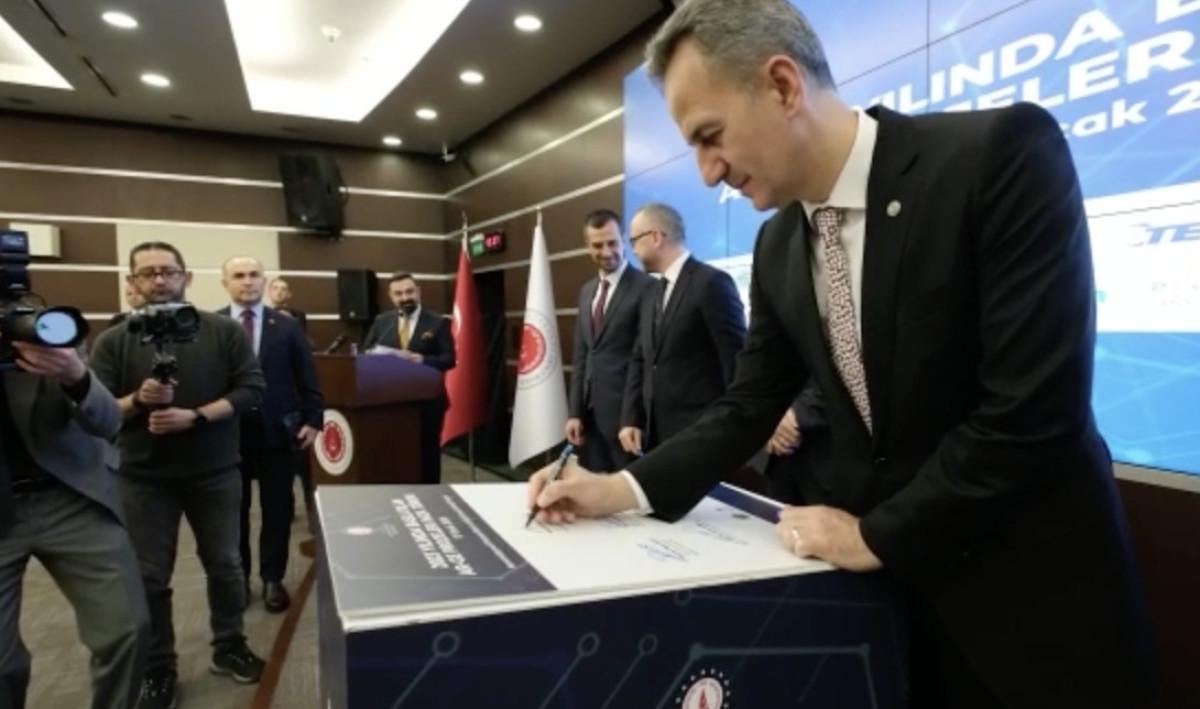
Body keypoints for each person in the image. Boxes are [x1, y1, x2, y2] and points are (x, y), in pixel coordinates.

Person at [527, 1, 1153, 707]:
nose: (705, 173)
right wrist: (619, 488)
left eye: (710, 136)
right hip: (888, 620)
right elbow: (748, 402)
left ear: (783, 86)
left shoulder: (997, 156)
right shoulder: (778, 245)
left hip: (1030, 612)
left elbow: (1032, 411)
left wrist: (876, 535)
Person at [91, 242, 267, 709]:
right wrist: (138, 401)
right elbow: (96, 411)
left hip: (215, 471)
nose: (159, 280)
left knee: (226, 566)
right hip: (143, 478)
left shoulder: (223, 331)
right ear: (132, 282)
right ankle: (158, 666)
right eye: (147, 273)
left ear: (186, 278)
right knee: (149, 578)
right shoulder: (113, 341)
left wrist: (197, 416)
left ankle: (229, 644)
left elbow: (252, 389)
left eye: (168, 271)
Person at [0, 339, 150, 709]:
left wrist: (76, 377)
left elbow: (107, 421)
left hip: (70, 493)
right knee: (3, 665)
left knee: (126, 630)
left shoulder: (41, 333)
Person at [218, 257, 323, 614]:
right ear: (225, 283)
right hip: (227, 434)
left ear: (264, 281)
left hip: (279, 432)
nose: (247, 281)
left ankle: (272, 578)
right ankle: (239, 578)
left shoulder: (288, 326)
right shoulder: (212, 325)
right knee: (234, 512)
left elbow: (308, 377)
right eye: (238, 276)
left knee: (277, 509)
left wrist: (314, 419)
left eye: (254, 275)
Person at [617, 202, 745, 455]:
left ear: (655, 237)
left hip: (702, 438)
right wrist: (631, 418)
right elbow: (641, 358)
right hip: (654, 439)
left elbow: (736, 359)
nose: (632, 250)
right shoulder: (651, 292)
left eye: (634, 241)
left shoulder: (710, 283)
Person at [565, 209, 654, 471]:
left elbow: (644, 360)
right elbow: (582, 355)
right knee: (592, 489)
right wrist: (575, 412)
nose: (606, 252)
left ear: (624, 239)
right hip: (589, 421)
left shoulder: (647, 287)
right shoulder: (586, 291)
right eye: (597, 245)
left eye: (612, 243)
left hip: (627, 424)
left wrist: (631, 419)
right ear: (587, 246)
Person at [361, 273, 455, 483]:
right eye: (398, 293)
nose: (405, 297)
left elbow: (449, 359)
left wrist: (422, 359)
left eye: (409, 291)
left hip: (427, 403)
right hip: (390, 402)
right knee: (394, 454)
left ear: (418, 292)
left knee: (427, 454)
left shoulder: (437, 322)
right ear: (391, 296)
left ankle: (430, 494)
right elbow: (366, 351)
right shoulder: (382, 321)